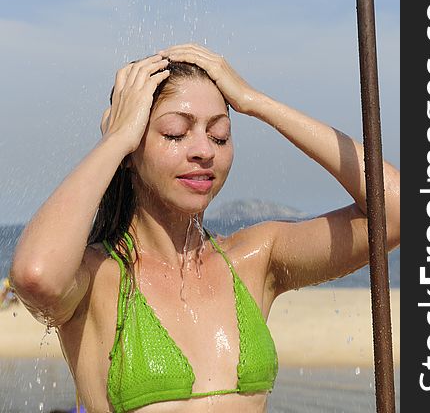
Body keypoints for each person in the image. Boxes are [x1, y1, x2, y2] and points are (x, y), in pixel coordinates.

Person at [10, 43, 400, 413]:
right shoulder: (97, 278)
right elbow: (36, 276)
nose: (204, 150)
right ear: (131, 150)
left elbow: (395, 212)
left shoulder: (255, 260)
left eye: (220, 134)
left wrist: (255, 102)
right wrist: (115, 141)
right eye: (176, 132)